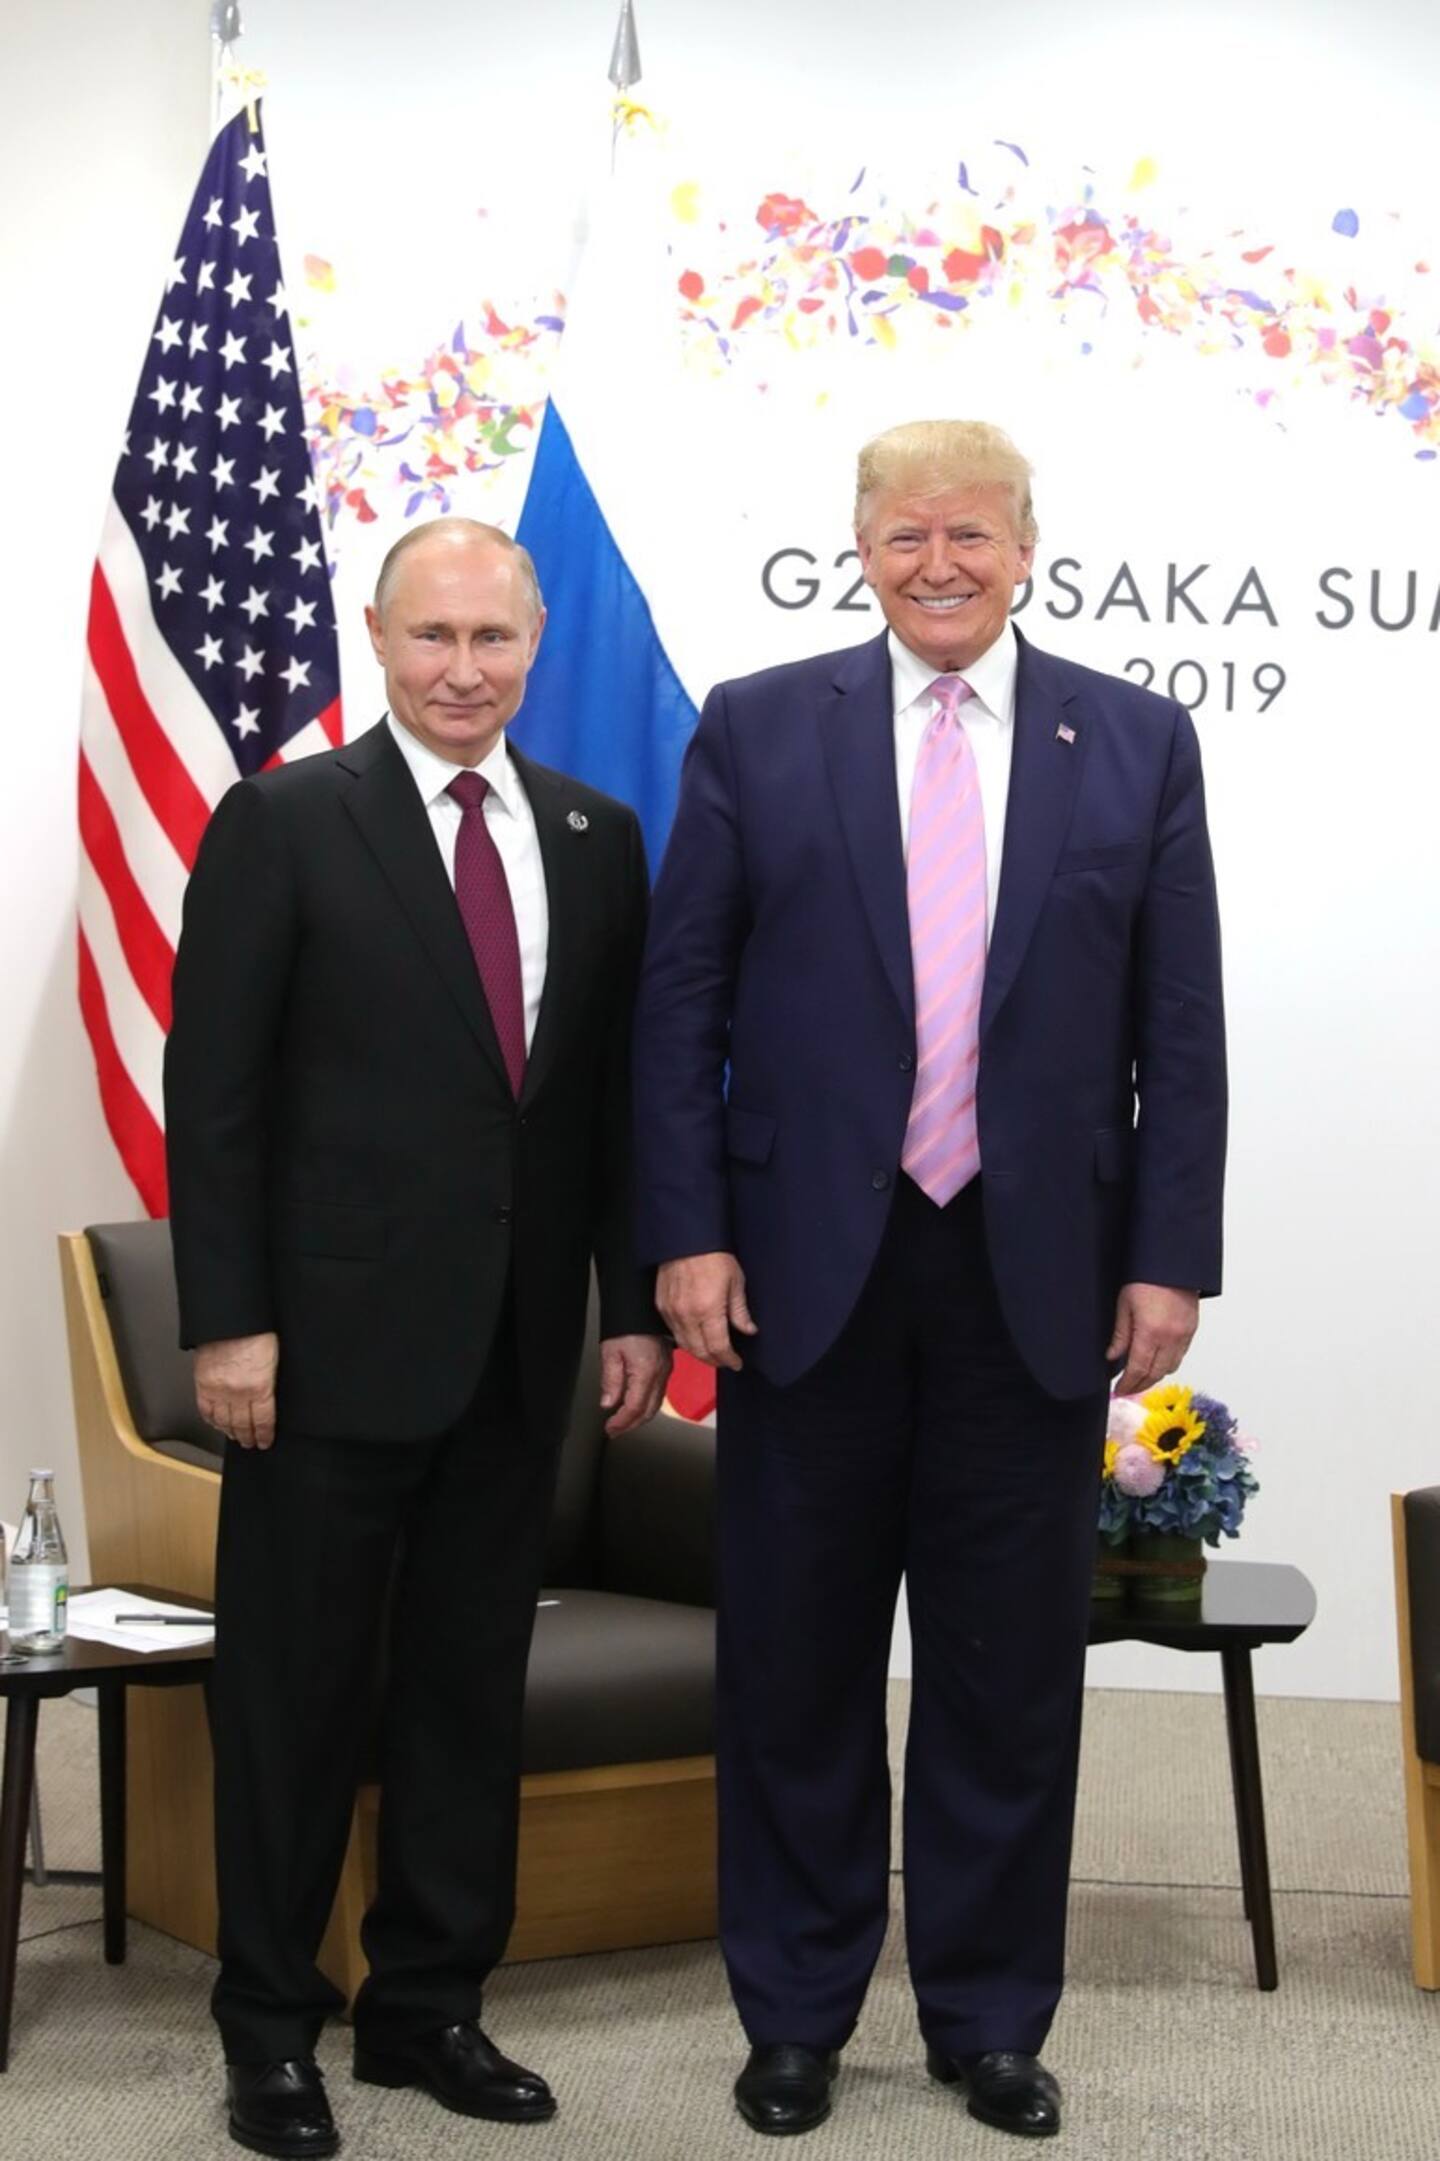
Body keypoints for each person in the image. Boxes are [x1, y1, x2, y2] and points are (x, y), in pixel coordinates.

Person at [633, 420, 1226, 2141]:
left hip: (1034, 1277)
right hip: (800, 1274)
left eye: (969, 533)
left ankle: (987, 2017)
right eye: (904, 535)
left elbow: (1175, 1035)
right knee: (798, 1664)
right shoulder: (760, 725)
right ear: (862, 548)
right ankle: (798, 2011)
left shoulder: (1134, 738)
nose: (937, 563)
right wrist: (685, 1228)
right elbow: (683, 1008)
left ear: (1028, 543)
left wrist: (1168, 1258)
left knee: (1008, 1669)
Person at [165, 517, 669, 2159]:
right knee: (298, 1697)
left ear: (535, 649)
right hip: (315, 1357)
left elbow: (607, 1107)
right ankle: (269, 2028)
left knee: (468, 1692)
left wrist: (632, 1295)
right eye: (435, 638)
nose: (466, 672)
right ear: (379, 641)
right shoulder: (285, 821)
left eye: (495, 641)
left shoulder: (598, 836)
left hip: (522, 1354)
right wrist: (228, 1319)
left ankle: (430, 2006)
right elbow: (216, 1099)